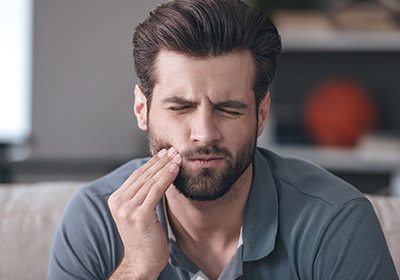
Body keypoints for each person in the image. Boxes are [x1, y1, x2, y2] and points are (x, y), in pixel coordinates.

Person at [48, 0, 398, 279]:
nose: (204, 133)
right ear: (142, 110)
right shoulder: (95, 217)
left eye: (229, 109)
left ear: (261, 115)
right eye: (180, 107)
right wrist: (137, 268)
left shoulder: (334, 220)